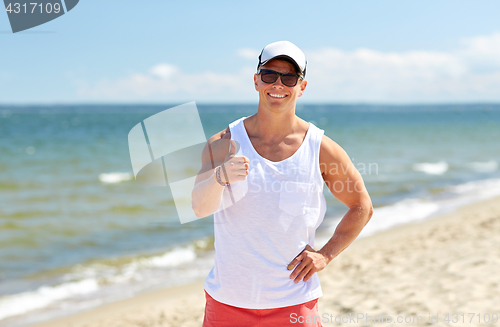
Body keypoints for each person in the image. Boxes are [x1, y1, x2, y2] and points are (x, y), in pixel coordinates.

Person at [192, 40, 373, 327]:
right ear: (256, 81)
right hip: (227, 301)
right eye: (269, 75)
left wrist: (325, 255)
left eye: (289, 77)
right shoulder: (224, 143)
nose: (278, 84)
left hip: (293, 303)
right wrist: (219, 177)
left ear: (301, 86)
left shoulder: (320, 148)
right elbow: (199, 207)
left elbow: (362, 206)